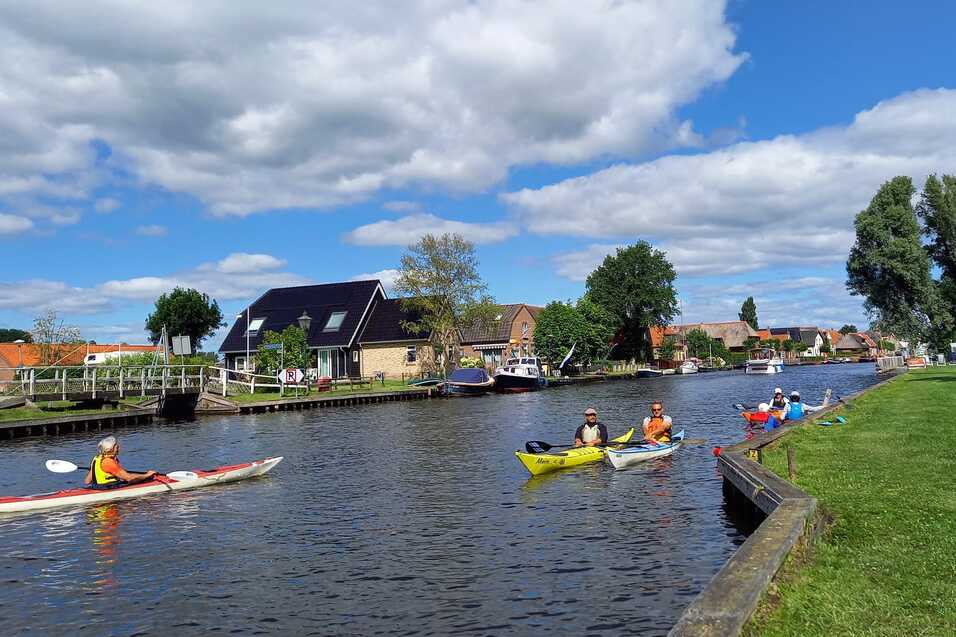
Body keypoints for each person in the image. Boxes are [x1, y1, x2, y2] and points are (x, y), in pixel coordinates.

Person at [84, 436, 158, 489]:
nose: (119, 448)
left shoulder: (96, 458)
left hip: (97, 487)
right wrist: (147, 475)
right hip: (107, 488)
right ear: (110, 449)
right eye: (117, 447)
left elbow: (87, 481)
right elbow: (129, 478)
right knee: (140, 479)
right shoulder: (109, 462)